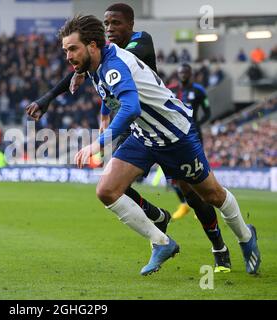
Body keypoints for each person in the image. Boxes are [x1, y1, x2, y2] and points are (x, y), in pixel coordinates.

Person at [26, 3, 231, 272]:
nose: (110, 29)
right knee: (113, 183)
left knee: (193, 193)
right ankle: (157, 217)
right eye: (107, 24)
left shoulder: (138, 43)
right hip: (138, 129)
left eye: (116, 24)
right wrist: (53, 94)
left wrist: (77, 73)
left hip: (167, 128)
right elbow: (98, 71)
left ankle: (219, 247)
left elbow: (105, 66)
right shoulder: (102, 55)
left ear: (130, 26)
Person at [59, 14, 261, 276]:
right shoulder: (96, 64)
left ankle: (246, 238)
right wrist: (83, 84)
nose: (68, 56)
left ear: (93, 46)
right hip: (144, 136)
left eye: (72, 49)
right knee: (107, 190)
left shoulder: (113, 66)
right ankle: (161, 242)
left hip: (174, 136)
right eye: (65, 51)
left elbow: (131, 107)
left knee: (212, 195)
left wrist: (97, 144)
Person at [166, 63, 212, 220]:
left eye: (185, 72)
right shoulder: (171, 89)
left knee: (198, 169)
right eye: (180, 72)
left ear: (191, 73)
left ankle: (204, 202)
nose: (183, 74)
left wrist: (197, 124)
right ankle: (184, 204)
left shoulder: (199, 90)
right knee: (174, 172)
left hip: (193, 135)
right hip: (174, 134)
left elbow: (208, 112)